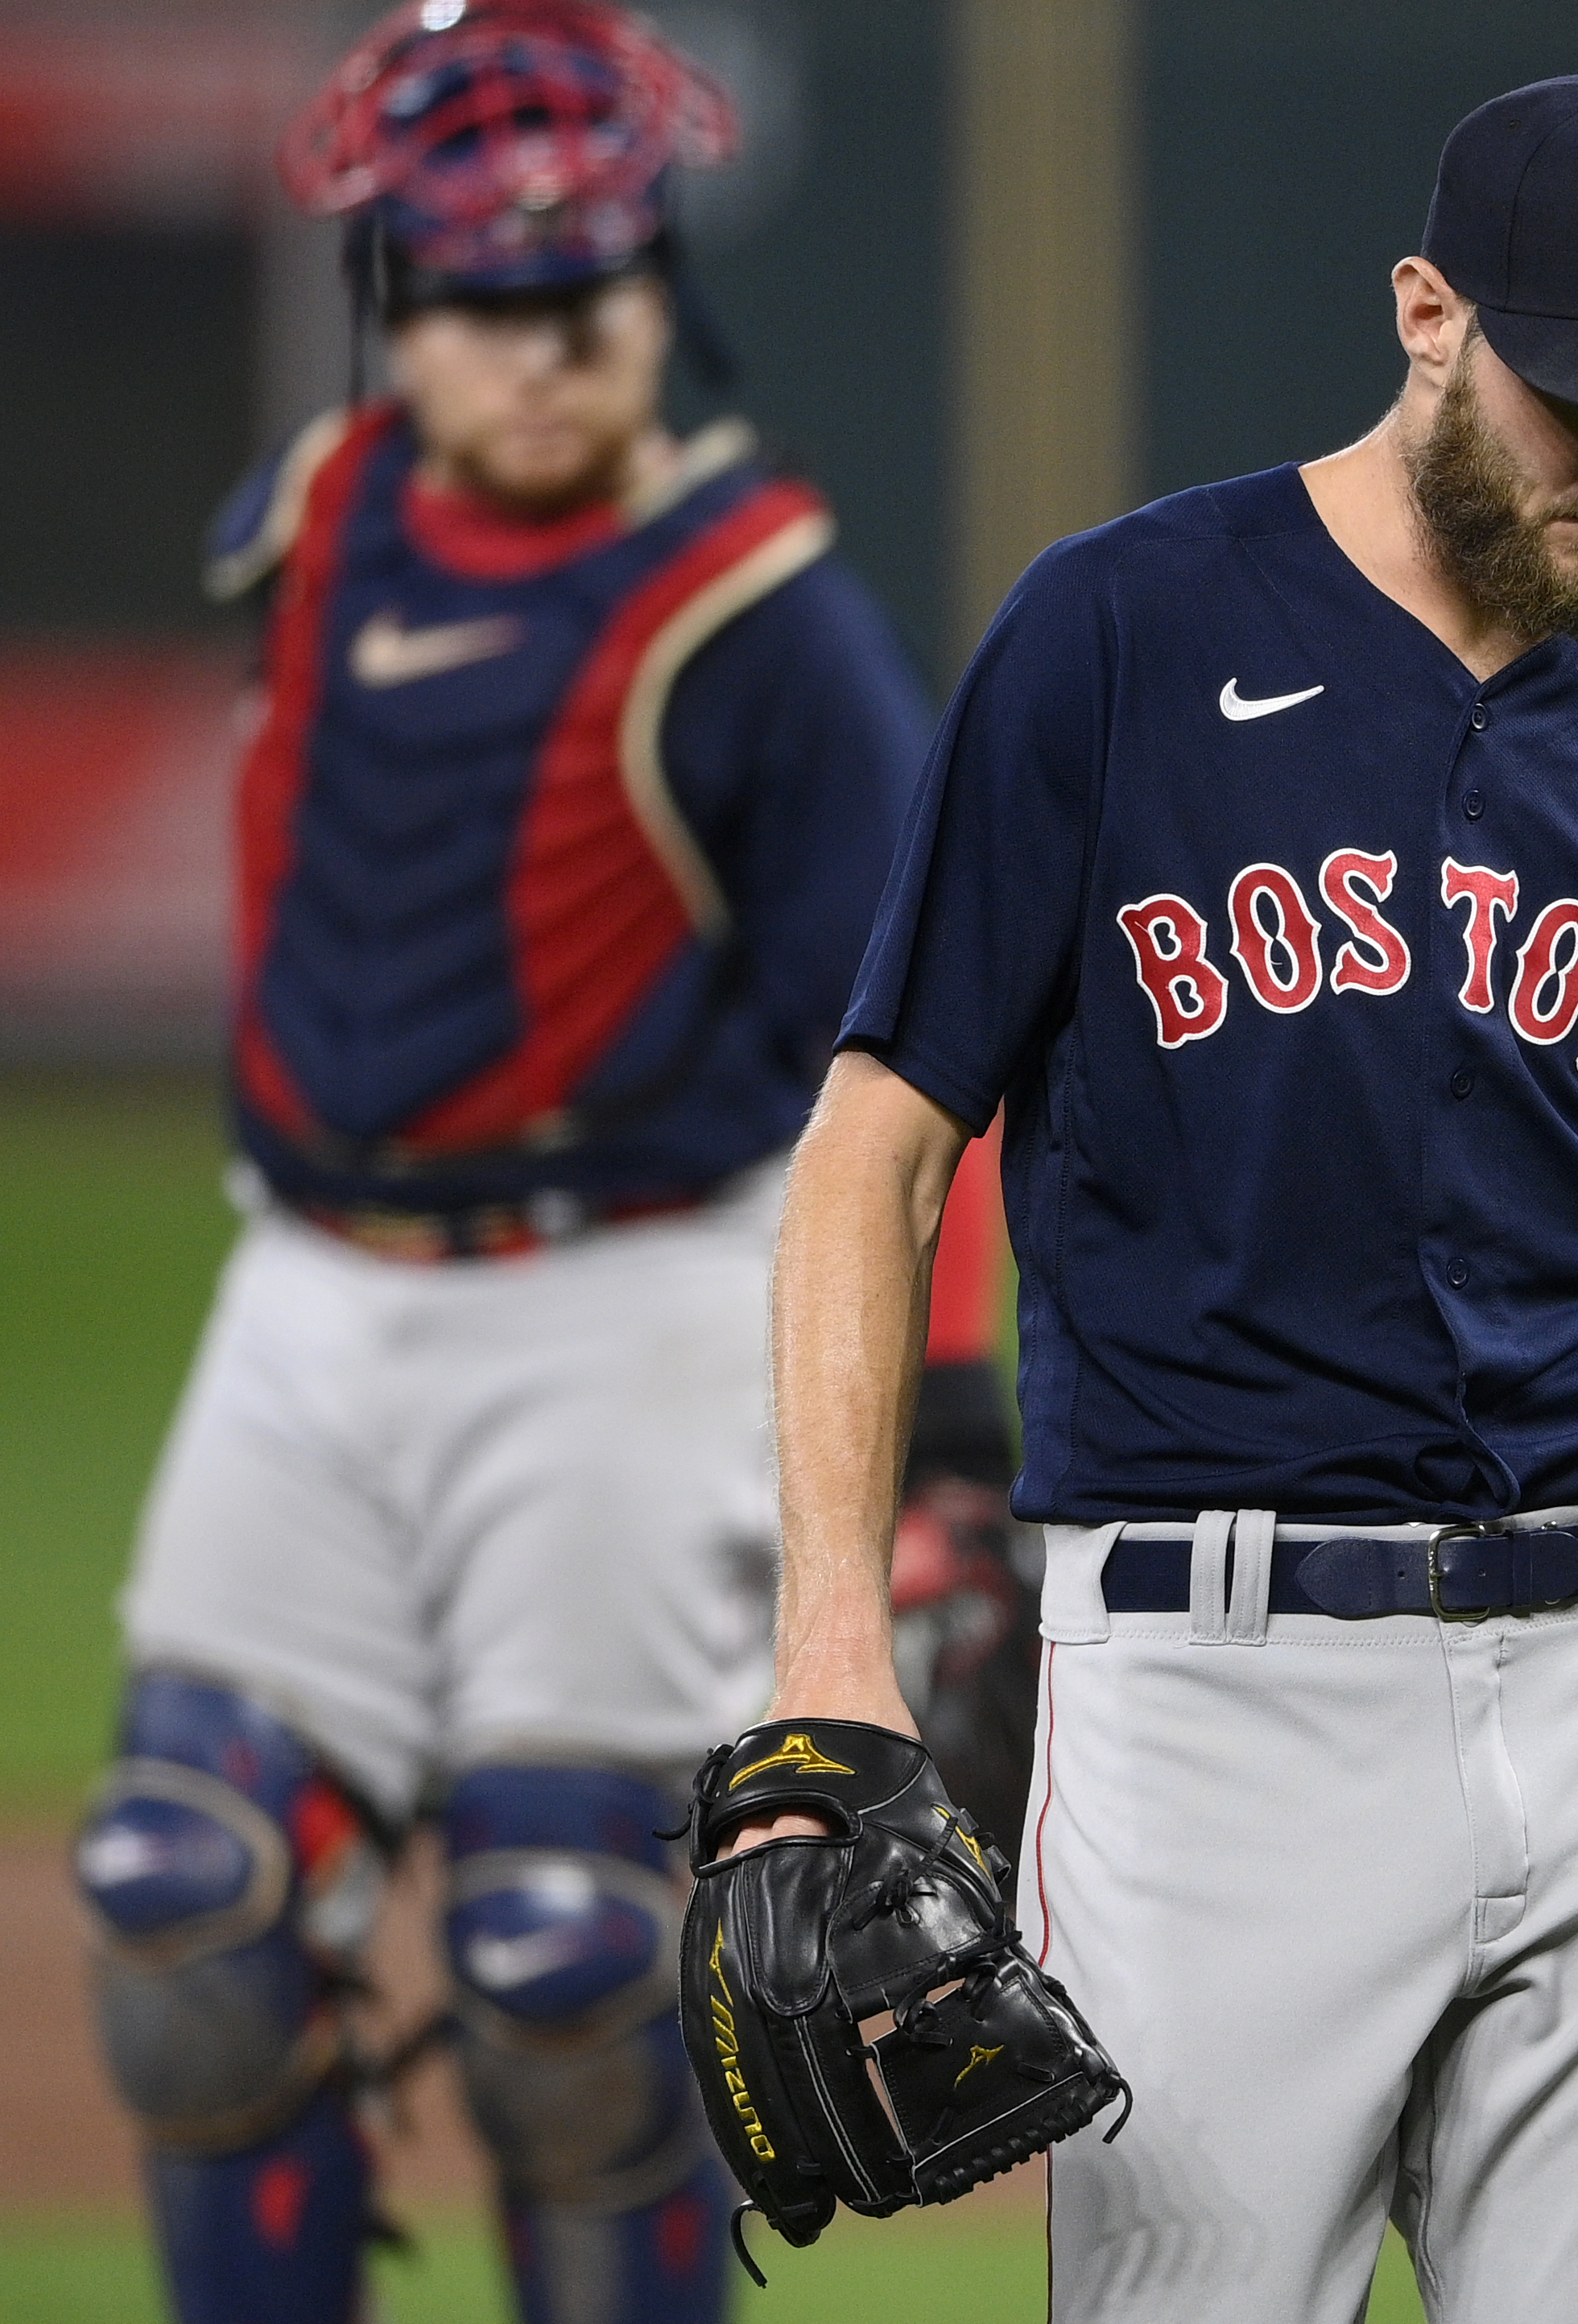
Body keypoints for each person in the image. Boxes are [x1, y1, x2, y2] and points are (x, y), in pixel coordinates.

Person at [733, 72, 1578, 2322]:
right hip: (1214, 1704)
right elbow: (871, 1158)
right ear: (1424, 312)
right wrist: (837, 1663)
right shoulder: (1113, 637)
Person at [69, 7, 960, 2319]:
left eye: (593, 288)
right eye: (485, 293)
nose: (549, 343)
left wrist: (937, 1444)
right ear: (399, 308)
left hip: (637, 1298)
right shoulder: (317, 515)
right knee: (184, 1894)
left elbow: (925, 1067)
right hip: (311, 1292)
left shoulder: (766, 617)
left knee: (569, 1973)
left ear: (662, 292)